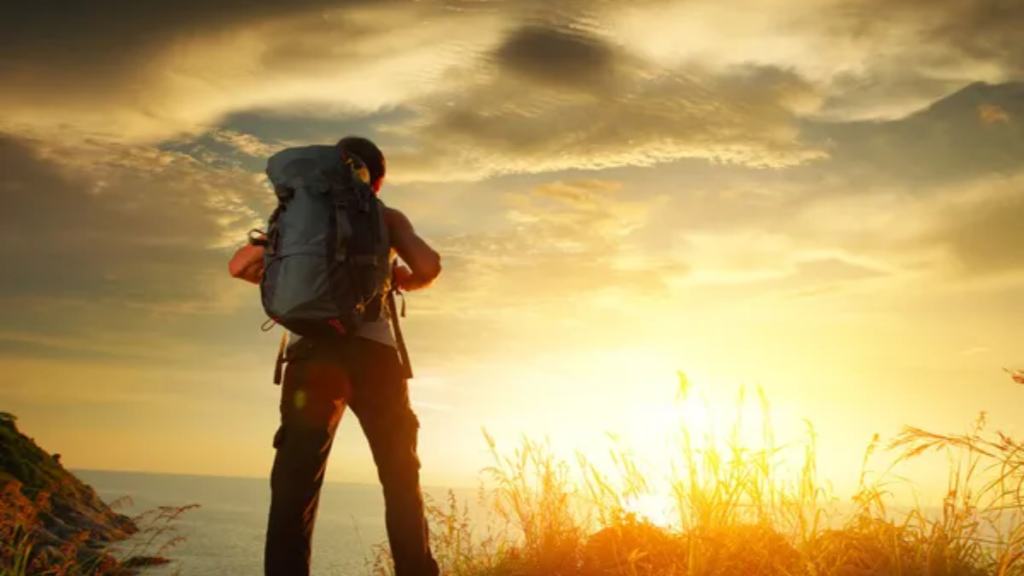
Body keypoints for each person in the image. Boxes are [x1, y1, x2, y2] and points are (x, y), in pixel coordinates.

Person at [229, 136, 443, 576]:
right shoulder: (384, 216)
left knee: (295, 482)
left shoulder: (293, 219)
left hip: (311, 357)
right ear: (376, 180)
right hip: (375, 357)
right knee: (399, 475)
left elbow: (239, 267)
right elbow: (428, 266)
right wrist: (397, 279)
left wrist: (297, 286)